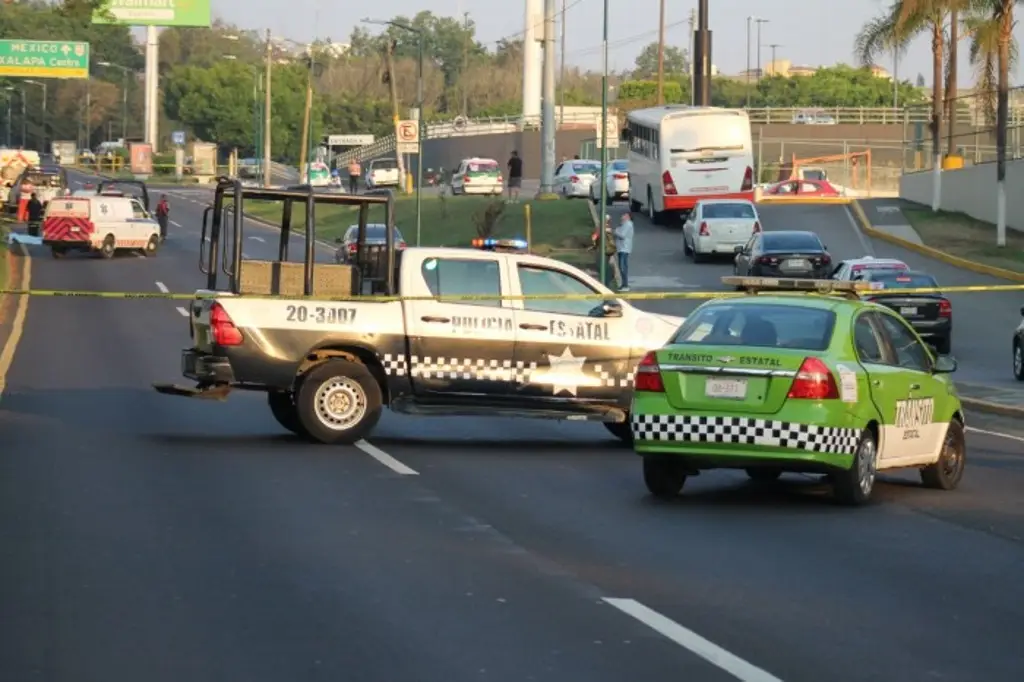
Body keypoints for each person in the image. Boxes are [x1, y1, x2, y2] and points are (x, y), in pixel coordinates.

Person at [613, 212, 634, 291]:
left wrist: (615, 232)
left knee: (622, 267)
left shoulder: (628, 224)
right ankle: (624, 284)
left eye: (624, 215)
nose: (622, 216)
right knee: (622, 267)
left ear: (628, 217)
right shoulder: (623, 224)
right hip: (621, 248)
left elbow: (622, 235)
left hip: (624, 248)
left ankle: (625, 285)